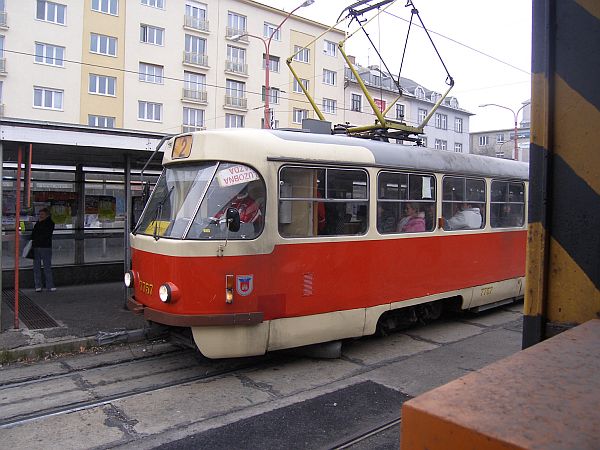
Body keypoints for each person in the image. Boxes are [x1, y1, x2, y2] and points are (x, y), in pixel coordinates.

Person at [31, 208, 56, 292]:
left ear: (47, 215)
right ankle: (38, 285)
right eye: (40, 214)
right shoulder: (38, 223)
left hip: (45, 247)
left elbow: (45, 234)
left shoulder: (50, 223)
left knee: (46, 267)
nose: (40, 216)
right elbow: (34, 234)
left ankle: (49, 285)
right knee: (37, 267)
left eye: (42, 214)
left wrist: (40, 223)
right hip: (38, 247)